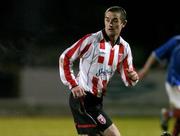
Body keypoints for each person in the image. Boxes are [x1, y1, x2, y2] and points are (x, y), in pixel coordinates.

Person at [59, 6, 139, 136]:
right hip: (81, 99)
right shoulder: (91, 40)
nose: (110, 24)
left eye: (114, 20)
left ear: (123, 23)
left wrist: (133, 77)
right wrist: (73, 84)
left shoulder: (124, 48)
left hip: (96, 103)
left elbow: (128, 78)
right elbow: (65, 57)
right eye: (107, 20)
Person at [138, 35, 180, 136]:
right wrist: (145, 69)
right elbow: (155, 54)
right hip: (174, 81)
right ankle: (167, 114)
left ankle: (168, 115)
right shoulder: (176, 41)